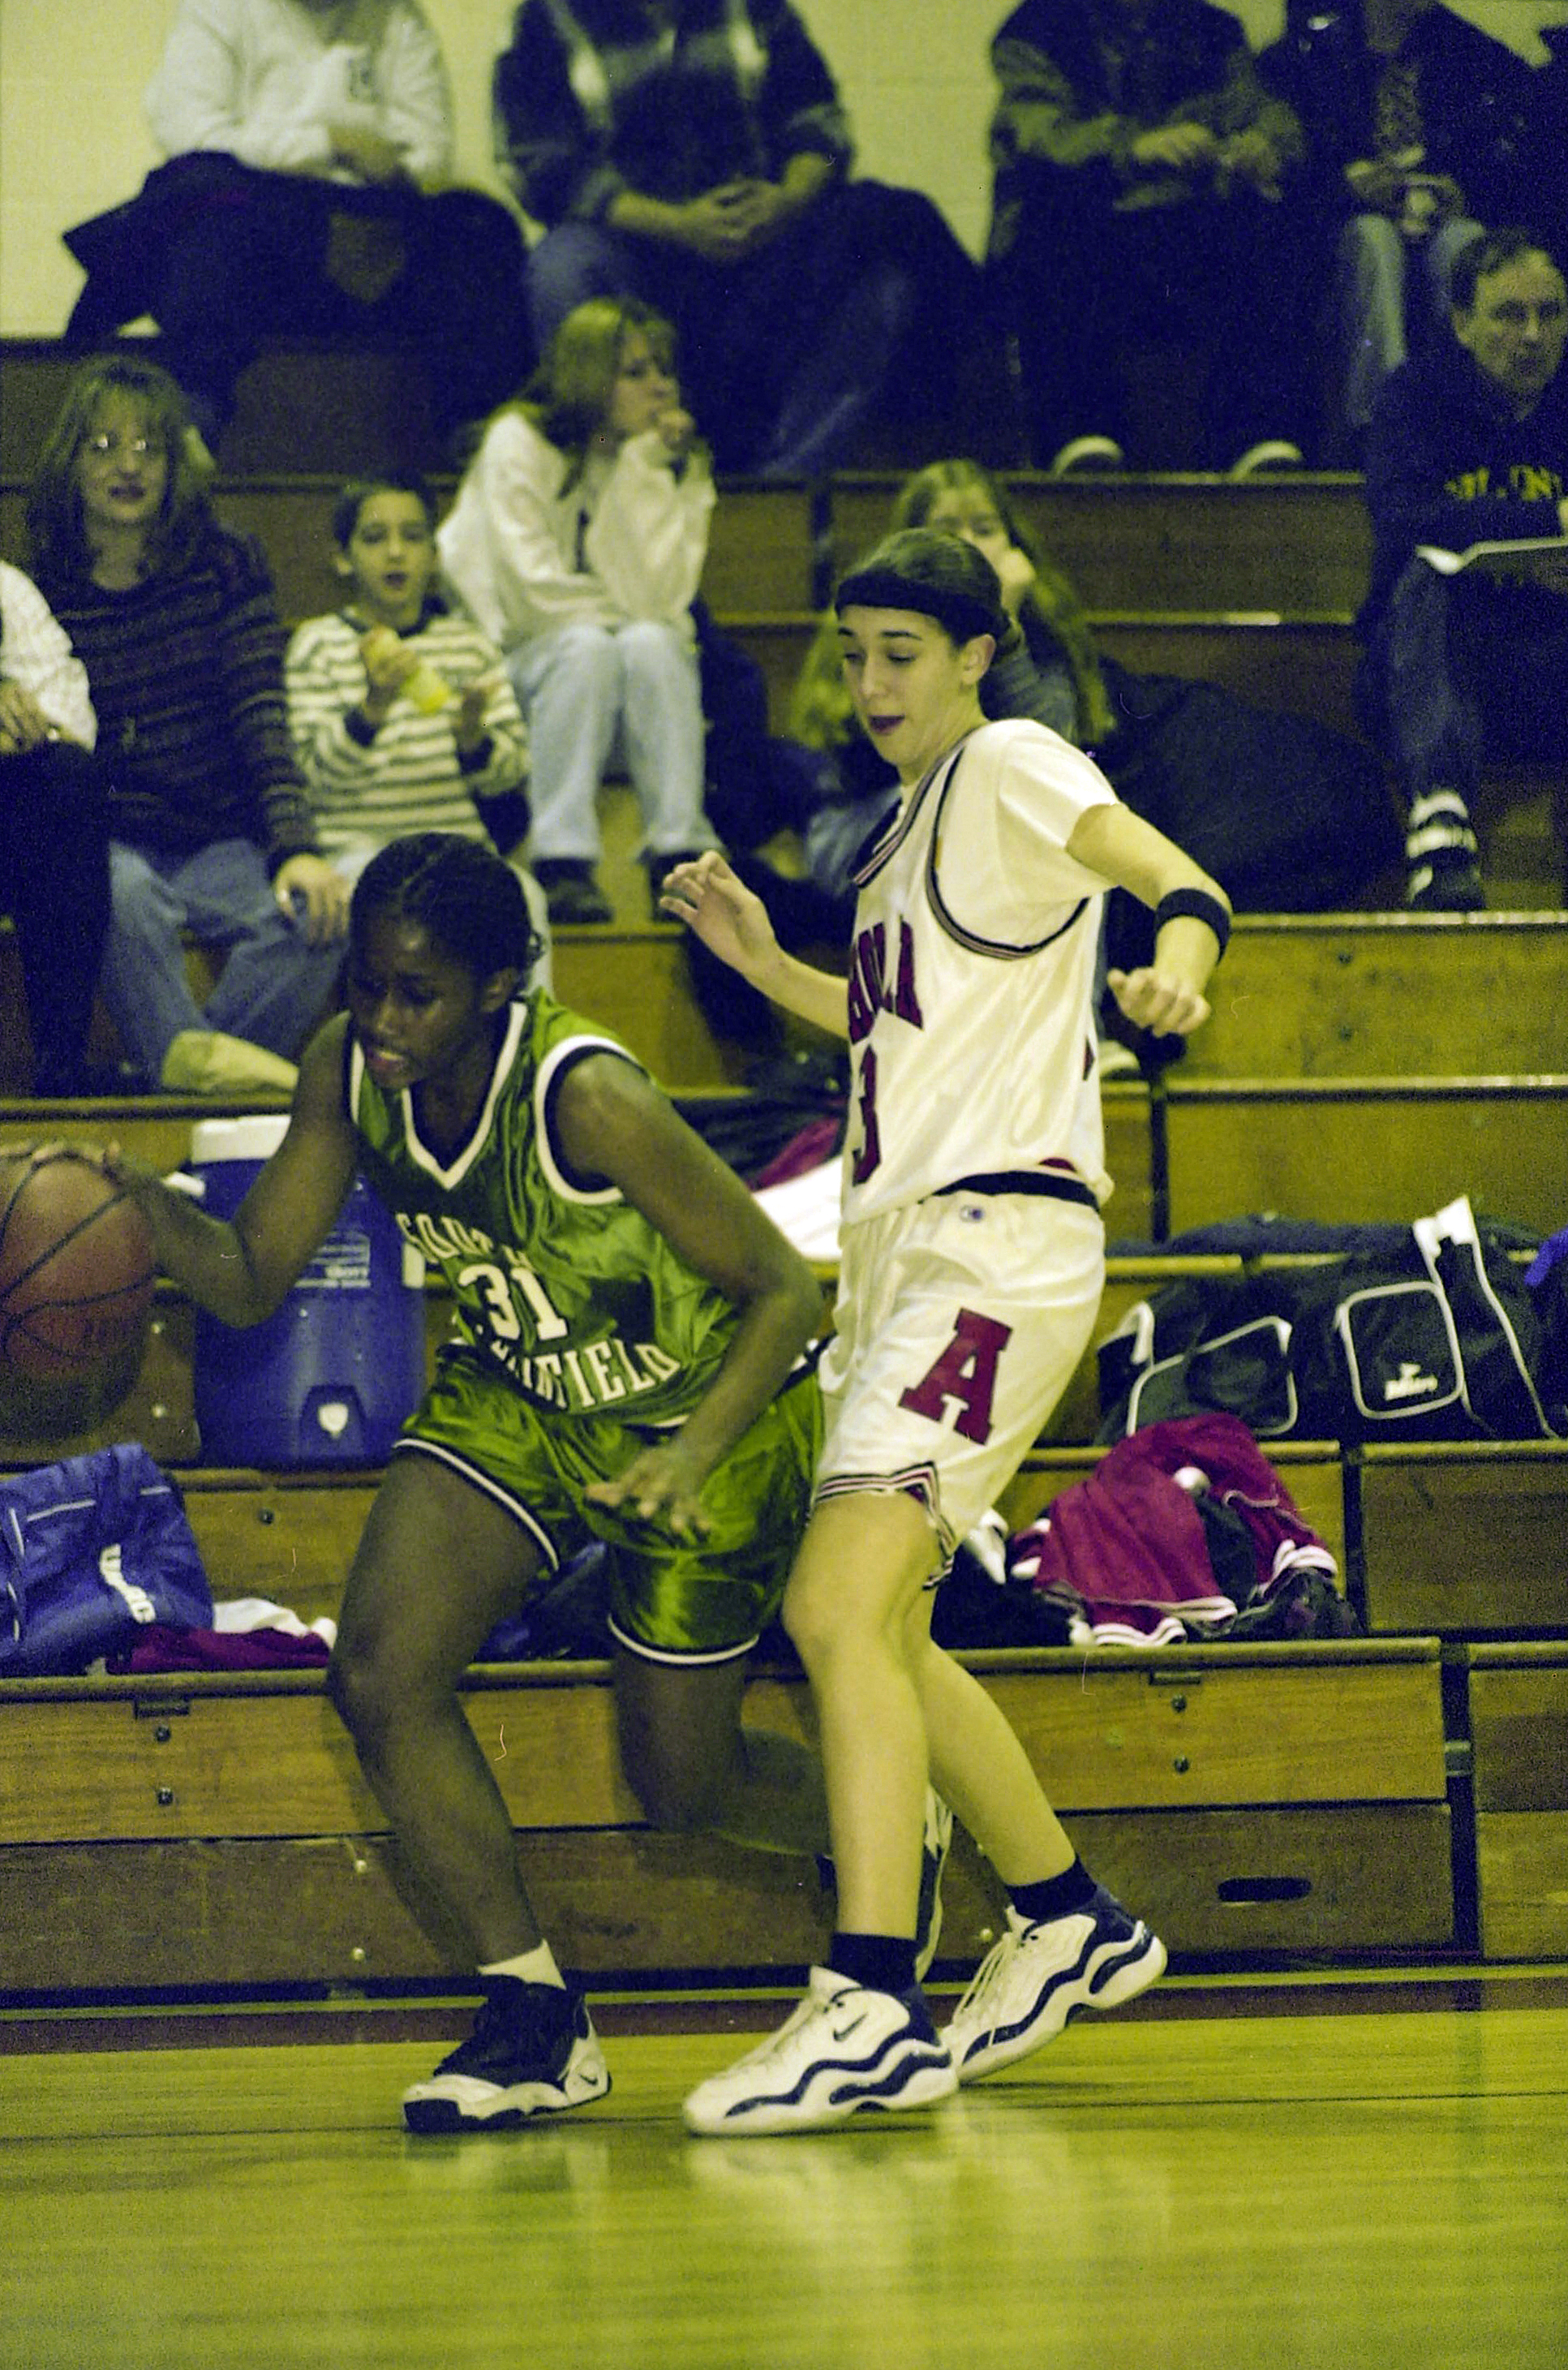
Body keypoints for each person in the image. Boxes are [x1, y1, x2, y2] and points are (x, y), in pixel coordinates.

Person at [81, 829, 883, 2130]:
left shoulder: (588, 1095)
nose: (383, 1019)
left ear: (498, 988)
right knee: (379, 1673)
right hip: (518, 1391)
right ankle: (535, 2017)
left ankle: (890, 1826)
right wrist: (133, 1204)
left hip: (698, 1417)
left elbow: (787, 1292)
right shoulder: (348, 1068)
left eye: (420, 994)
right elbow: (248, 1277)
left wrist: (689, 1452)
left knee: (682, 1787)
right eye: (367, 984)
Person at [665, 527, 1231, 2136]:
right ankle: (1066, 1918)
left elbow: (1179, 879)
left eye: (900, 652)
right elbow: (897, 1034)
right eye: (851, 654)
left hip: (993, 1241)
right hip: (909, 1250)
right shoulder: (908, 823)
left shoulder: (1013, 762)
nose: (868, 684)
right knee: (888, 1634)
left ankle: (870, 1999)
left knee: (833, 1606)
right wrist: (765, 962)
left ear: (977, 653)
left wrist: (1175, 969)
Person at [26, 354, 347, 1096]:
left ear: (175, 464)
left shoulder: (226, 561)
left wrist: (295, 847)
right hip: (114, 842)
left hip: (220, 838)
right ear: (71, 463)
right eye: (103, 446)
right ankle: (218, 1080)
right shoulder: (42, 589)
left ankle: (174, 1081)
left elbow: (262, 712)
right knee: (114, 895)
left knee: (328, 913)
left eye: (149, 447)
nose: (127, 465)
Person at [492, 0, 981, 480]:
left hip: (760, 238)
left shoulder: (758, 8)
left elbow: (820, 127)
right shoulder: (547, 18)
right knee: (561, 268)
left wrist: (786, 200)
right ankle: (614, 476)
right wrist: (680, 224)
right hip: (631, 243)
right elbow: (542, 165)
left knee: (887, 242)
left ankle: (783, 483)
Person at [63, 0, 528, 454]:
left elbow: (429, 150)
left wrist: (370, 170)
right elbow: (190, 132)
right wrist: (330, 143)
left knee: (481, 225)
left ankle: (473, 430)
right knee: (201, 208)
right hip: (259, 215)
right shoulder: (217, 8)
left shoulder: (397, 17)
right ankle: (195, 420)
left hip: (368, 219)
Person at [437, 299, 720, 926]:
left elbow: (661, 603)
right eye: (637, 372)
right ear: (591, 377)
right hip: (511, 674)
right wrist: (617, 615)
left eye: (664, 370)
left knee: (653, 642)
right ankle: (561, 860)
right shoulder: (517, 439)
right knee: (588, 644)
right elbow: (530, 597)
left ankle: (678, 853)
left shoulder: (656, 456)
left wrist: (646, 467)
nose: (661, 387)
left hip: (614, 681)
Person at [987, 0, 1308, 470]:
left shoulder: (1212, 31)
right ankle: (1079, 436)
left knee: (1266, 226)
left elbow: (1261, 110)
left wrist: (1266, 144)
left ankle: (1255, 436)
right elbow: (1040, 132)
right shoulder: (1038, 29)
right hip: (1089, 228)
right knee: (1056, 222)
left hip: (1178, 230)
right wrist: (1132, 146)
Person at [1357, 226, 1568, 910]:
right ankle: (1440, 822)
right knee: (1425, 575)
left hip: (1546, 667)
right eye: (1509, 315)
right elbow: (1404, 518)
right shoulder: (1412, 399)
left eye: (1549, 313)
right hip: (1435, 672)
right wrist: (1549, 522)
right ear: (1461, 324)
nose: (1532, 336)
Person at [286, 470, 552, 987]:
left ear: (433, 555)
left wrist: (473, 742)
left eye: (412, 537)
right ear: (343, 558)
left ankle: (529, 1034)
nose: (395, 553)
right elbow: (310, 779)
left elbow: (512, 770)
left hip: (456, 848)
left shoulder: (468, 645)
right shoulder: (318, 645)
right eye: (374, 538)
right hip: (357, 851)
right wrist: (372, 708)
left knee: (525, 896)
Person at [1261, 0, 1537, 463]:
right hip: (1345, 235)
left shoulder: (1464, 50)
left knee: (1465, 242)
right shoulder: (1314, 50)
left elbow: (1507, 159)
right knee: (1374, 239)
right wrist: (1347, 185)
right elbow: (1293, 169)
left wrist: (1460, 190)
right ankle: (1383, 430)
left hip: (1439, 223)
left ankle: (1469, 424)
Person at [0, 563, 111, 1096]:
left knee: (66, 781)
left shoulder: (5, 588)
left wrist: (17, 723)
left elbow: (73, 727)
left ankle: (60, 1069)